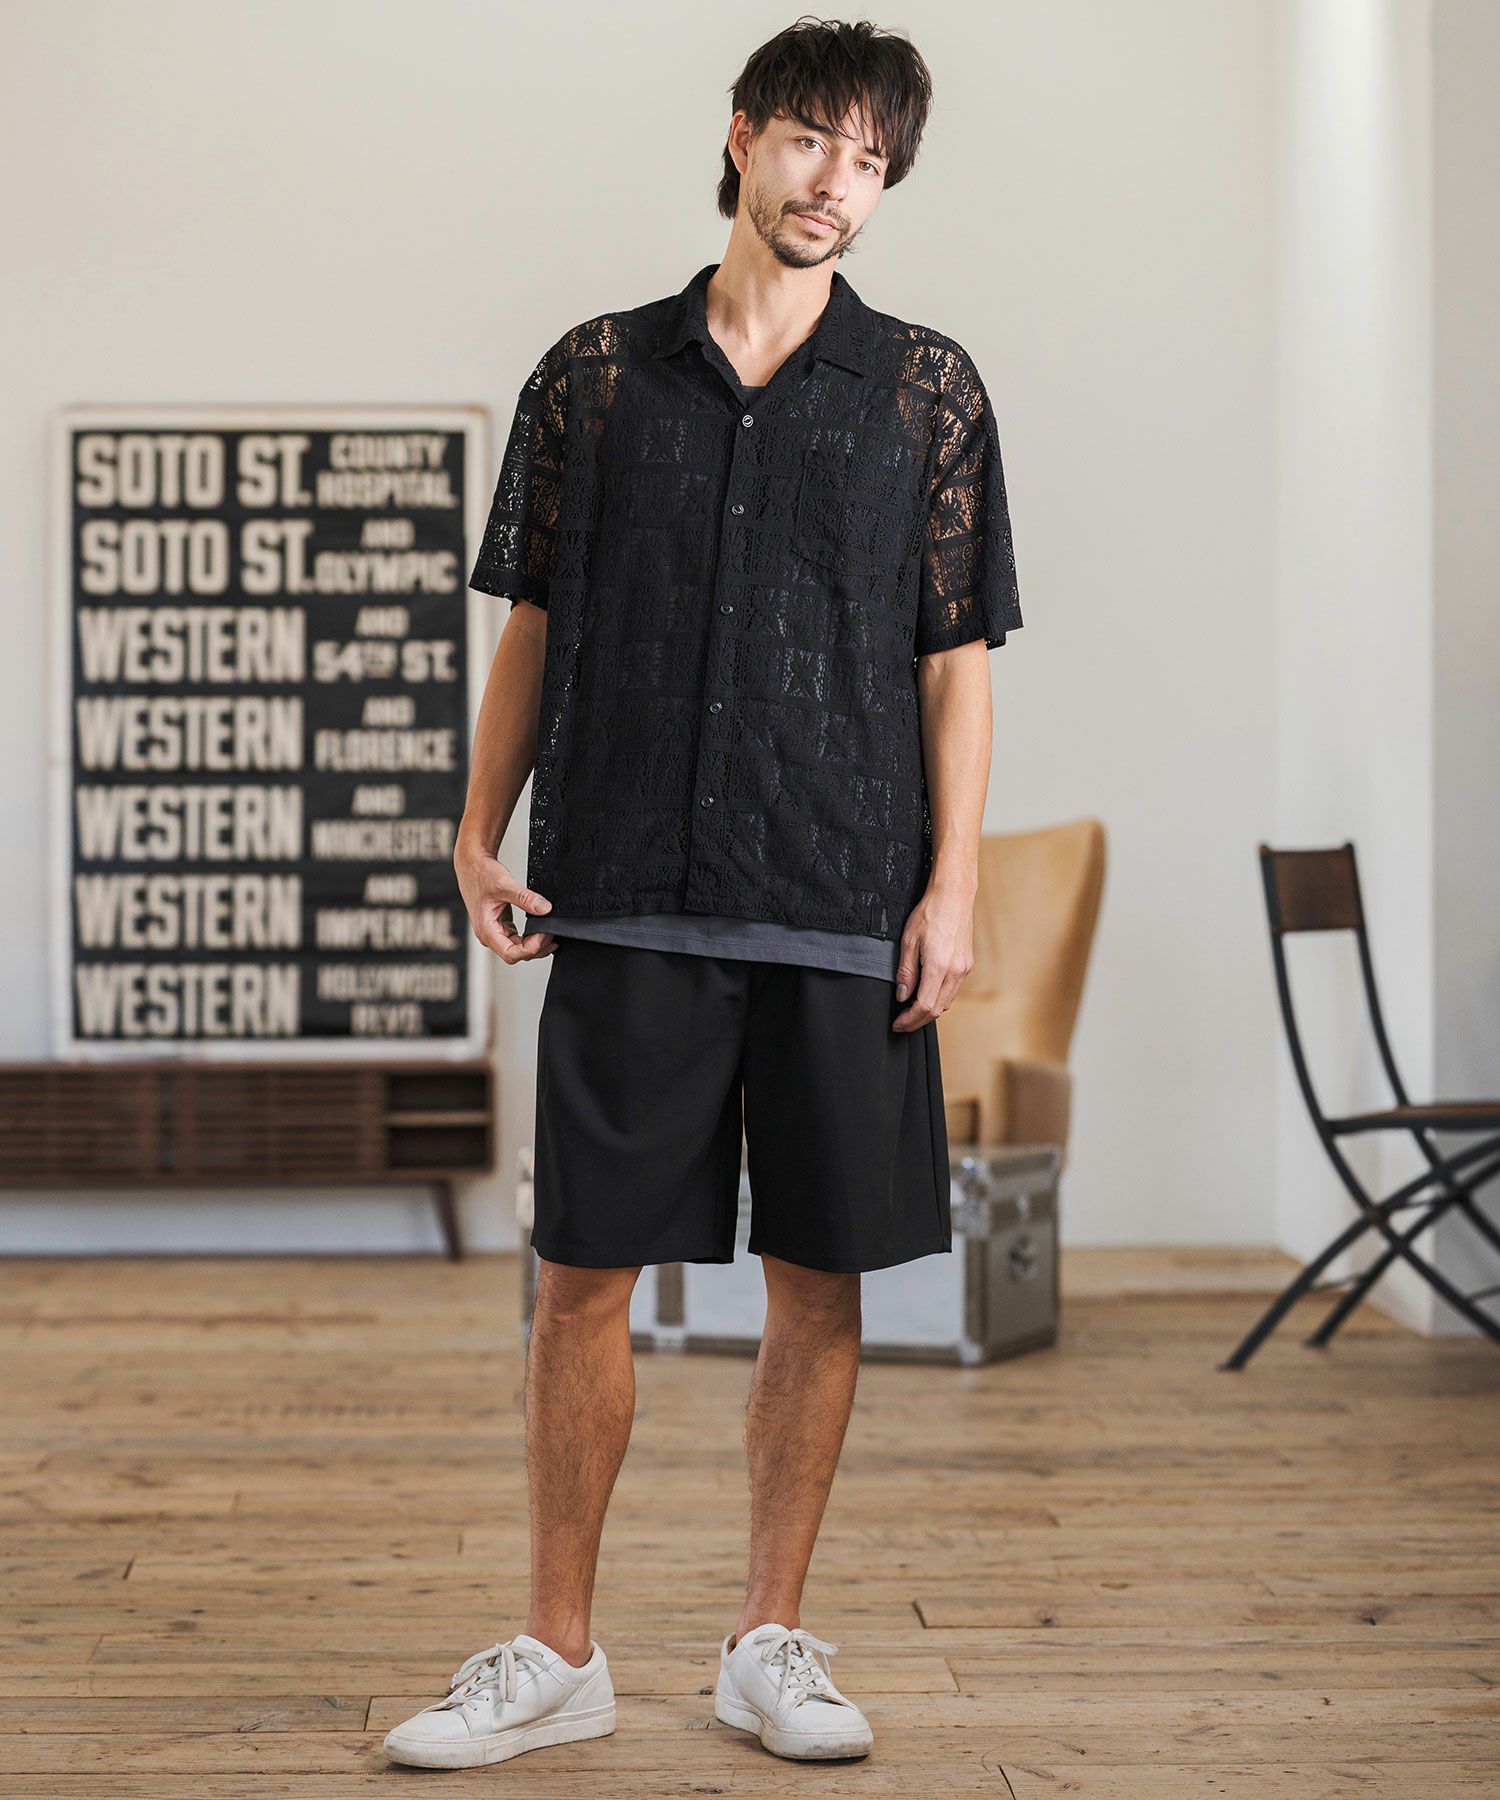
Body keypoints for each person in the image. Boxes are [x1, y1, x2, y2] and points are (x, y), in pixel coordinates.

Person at [383, 14, 1021, 1774]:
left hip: (842, 895)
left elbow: (955, 660)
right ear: (743, 136)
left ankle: (768, 1643)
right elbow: (533, 623)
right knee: (578, 1278)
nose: (839, 185)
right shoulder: (593, 377)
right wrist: (474, 831)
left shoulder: (928, 392)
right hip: (628, 890)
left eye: (873, 162)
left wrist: (954, 887)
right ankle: (557, 1650)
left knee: (819, 1284)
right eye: (814, 142)